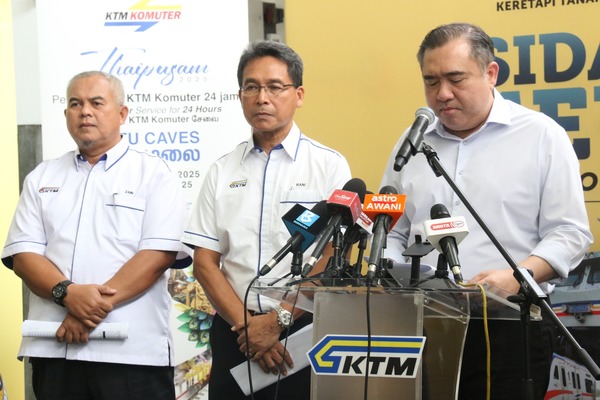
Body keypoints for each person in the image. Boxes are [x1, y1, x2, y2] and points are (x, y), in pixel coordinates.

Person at [380, 23, 592, 400]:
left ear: (490, 73)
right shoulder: (412, 141)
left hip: (511, 326)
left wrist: (519, 276)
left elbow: (571, 234)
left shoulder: (542, 136)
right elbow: (393, 228)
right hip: (423, 323)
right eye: (431, 81)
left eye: (455, 79)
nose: (442, 94)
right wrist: (395, 269)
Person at [2, 71, 189, 400]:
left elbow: (157, 256)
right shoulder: (41, 176)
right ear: (66, 115)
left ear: (122, 114)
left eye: (96, 103)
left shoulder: (155, 174)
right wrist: (67, 294)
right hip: (55, 351)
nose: (84, 111)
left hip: (131, 354)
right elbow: (24, 255)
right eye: (75, 104)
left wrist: (87, 309)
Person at [182, 40, 352, 400]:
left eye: (275, 87)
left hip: (304, 328)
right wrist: (250, 330)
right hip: (234, 332)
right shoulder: (221, 170)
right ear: (240, 94)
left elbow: (331, 258)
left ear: (299, 94)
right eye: (251, 87)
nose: (262, 98)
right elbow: (205, 263)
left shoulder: (328, 165)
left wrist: (278, 322)